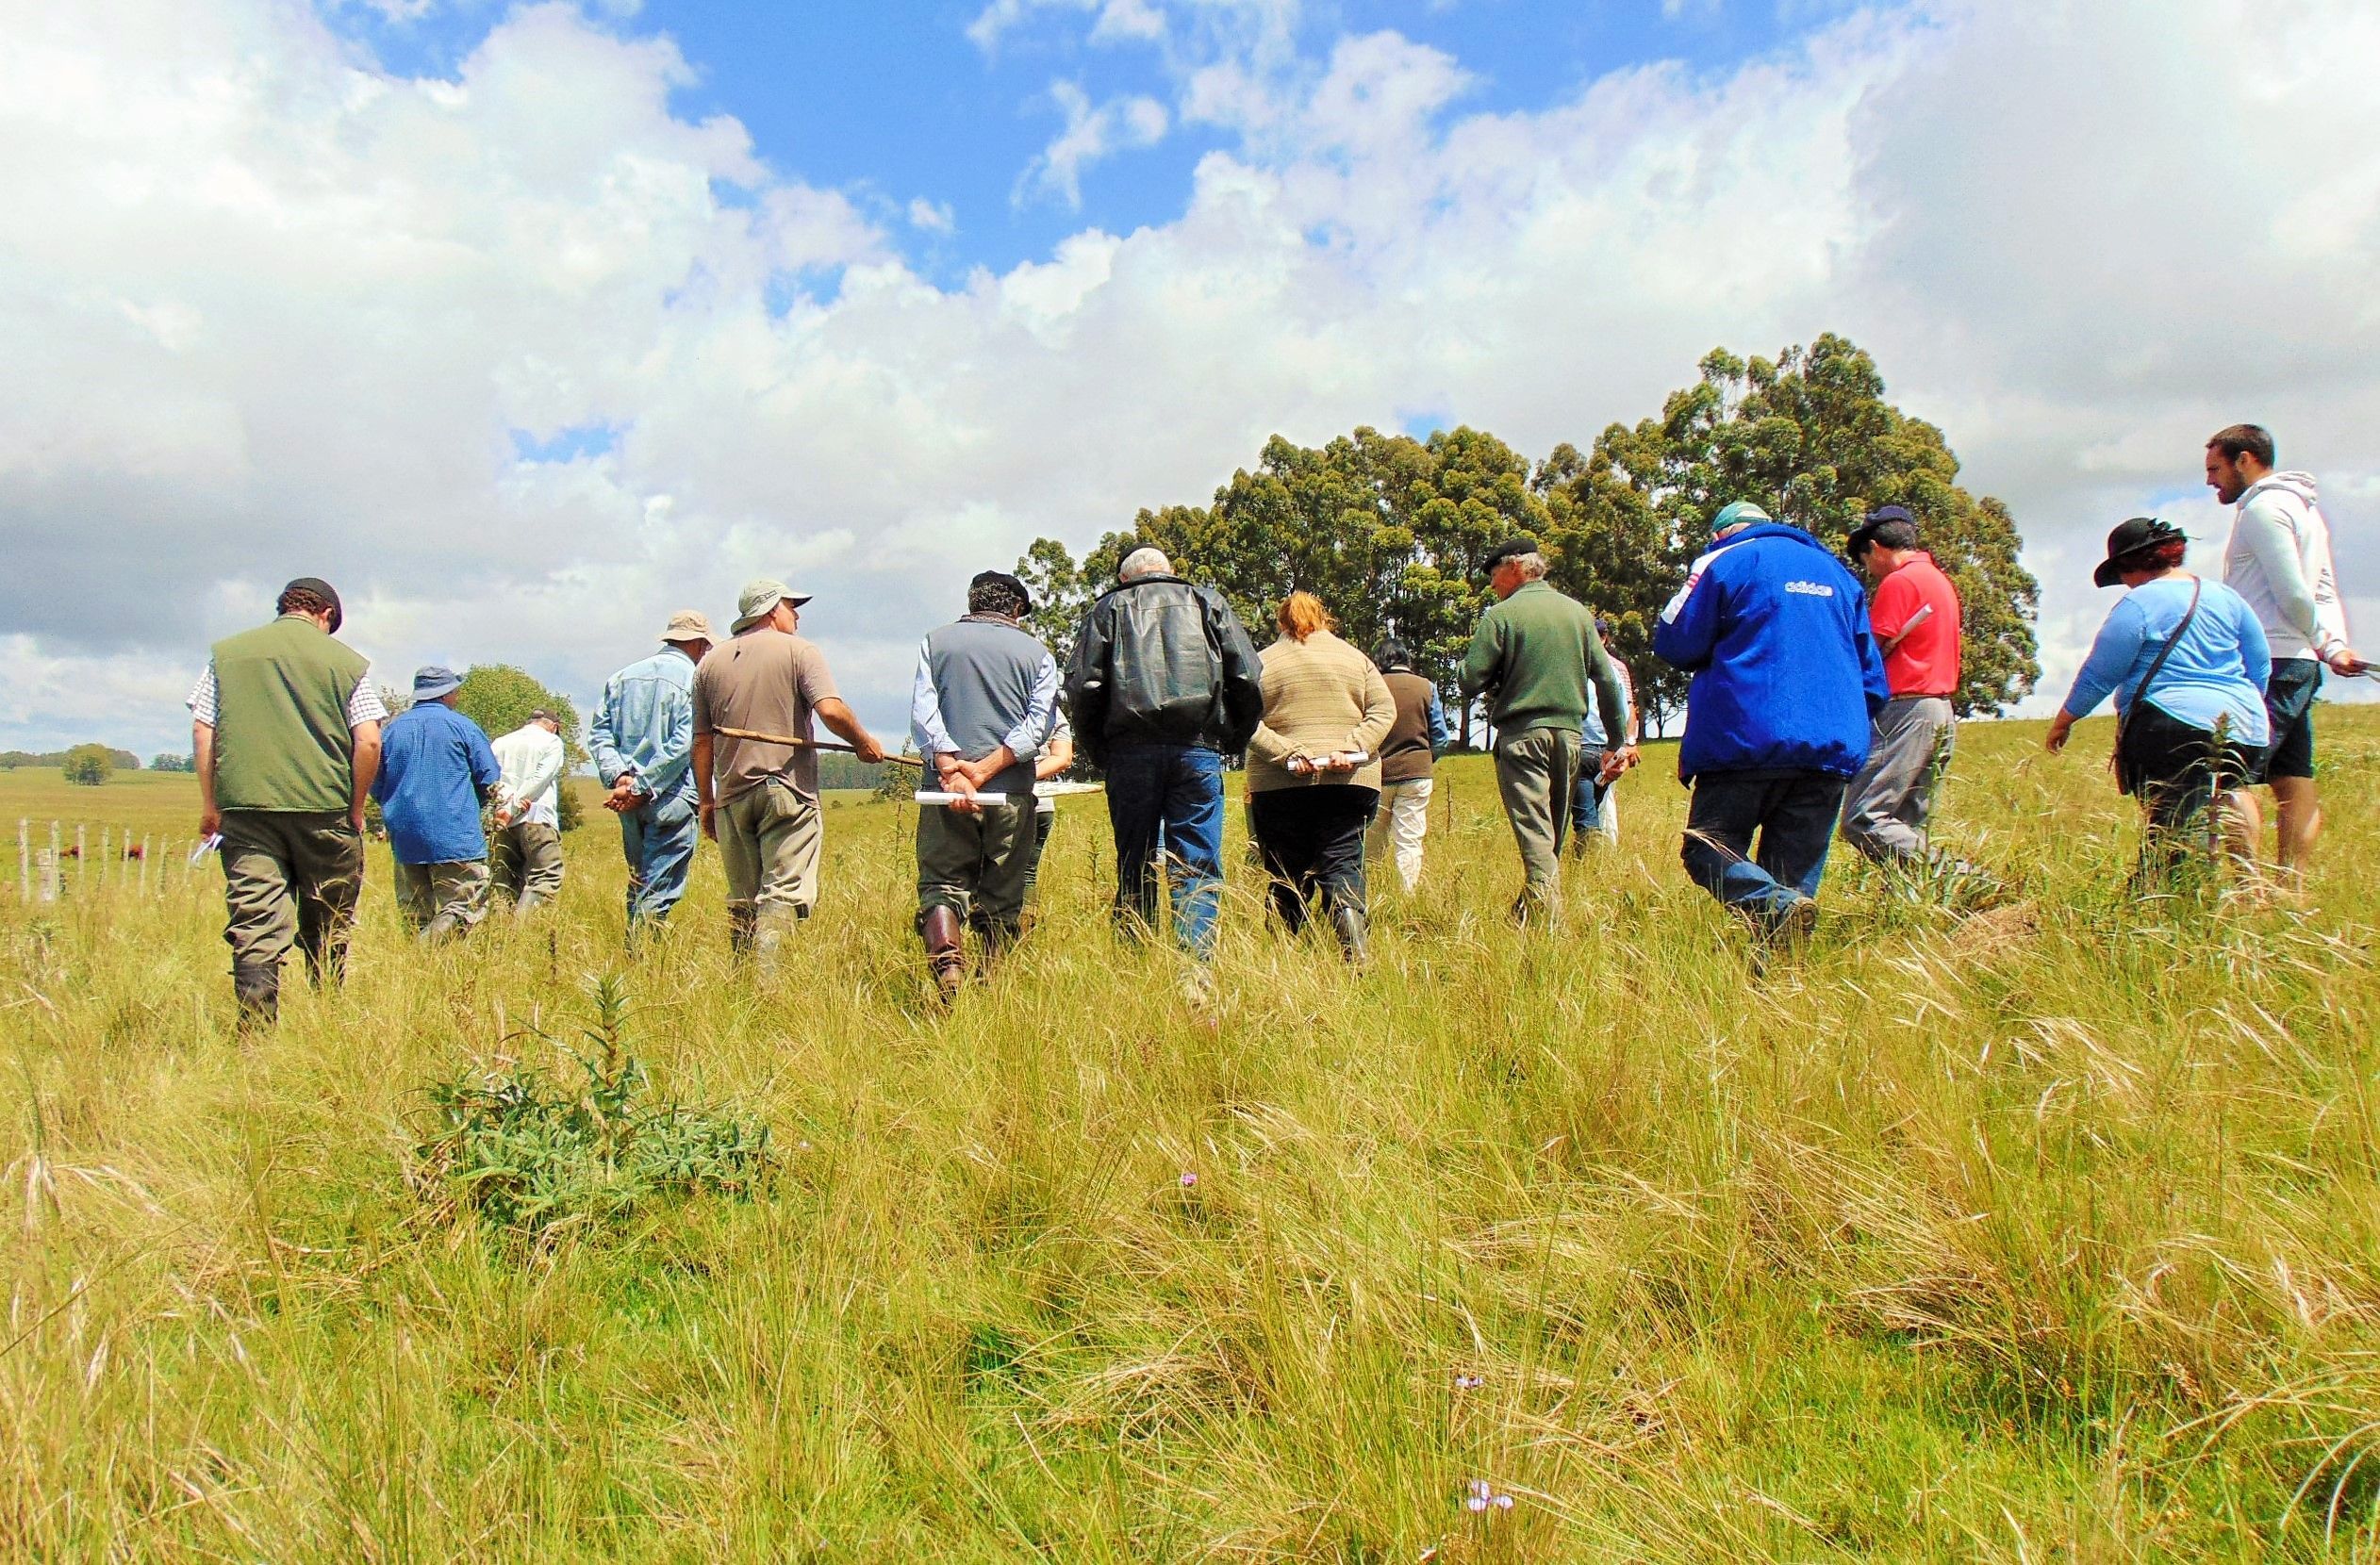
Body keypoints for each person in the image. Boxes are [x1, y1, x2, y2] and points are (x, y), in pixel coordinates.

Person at [1654, 502, 1887, 944]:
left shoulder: (1723, 561)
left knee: (1708, 848)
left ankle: (1775, 905)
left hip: (1743, 740)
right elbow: (1873, 681)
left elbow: (1674, 640)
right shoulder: (1839, 574)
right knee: (1794, 879)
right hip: (1830, 750)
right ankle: (1780, 991)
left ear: (1724, 533)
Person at [187, 576, 385, 1028]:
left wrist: (211, 805)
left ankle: (255, 1032)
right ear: (327, 614)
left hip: (247, 813)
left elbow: (203, 729)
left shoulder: (227, 656)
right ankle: (328, 1013)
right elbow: (369, 740)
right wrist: (356, 807)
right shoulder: (347, 663)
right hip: (325, 812)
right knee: (328, 916)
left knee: (255, 919)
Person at [1063, 547, 1264, 962]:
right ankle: (1197, 968)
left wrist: (1099, 750)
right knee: (1197, 860)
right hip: (1197, 748)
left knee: (1134, 859)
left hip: (1129, 751)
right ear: (1170, 572)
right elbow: (1247, 676)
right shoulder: (1208, 602)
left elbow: (1084, 687)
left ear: (1125, 578)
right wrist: (1232, 740)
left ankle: (1135, 959)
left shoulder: (1108, 608)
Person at [2046, 517, 2270, 885]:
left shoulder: (2139, 603)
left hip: (2171, 721)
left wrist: (2065, 719)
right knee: (2231, 792)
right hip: (2244, 721)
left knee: (2174, 814)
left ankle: (2171, 891)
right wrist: (2243, 705)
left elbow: (2102, 672)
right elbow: (2258, 663)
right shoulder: (2226, 596)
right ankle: (2249, 886)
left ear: (2129, 566)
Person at [692, 579, 885, 966]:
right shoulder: (800, 651)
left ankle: (741, 987)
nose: (795, 614)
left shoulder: (708, 664)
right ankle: (768, 986)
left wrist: (707, 802)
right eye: (789, 606)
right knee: (781, 894)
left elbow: (701, 742)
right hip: (786, 791)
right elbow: (830, 710)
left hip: (731, 796)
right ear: (769, 611)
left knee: (745, 900)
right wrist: (863, 743)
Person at [2206, 423, 2368, 877]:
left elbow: (2294, 592)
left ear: (2244, 460)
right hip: (2299, 661)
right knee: (2293, 776)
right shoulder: (2307, 512)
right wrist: (2332, 645)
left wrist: (2324, 641)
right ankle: (2289, 889)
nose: (2209, 481)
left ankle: (2246, 888)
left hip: (2268, 661)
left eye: (2215, 468)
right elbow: (2324, 591)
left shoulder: (2264, 510)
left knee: (2228, 773)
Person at [1458, 537, 1633, 922]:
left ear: (1516, 567)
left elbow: (1469, 680)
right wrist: (1616, 742)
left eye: (1494, 573)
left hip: (1522, 736)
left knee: (1536, 835)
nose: (1492, 584)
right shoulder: (1579, 615)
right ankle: (1523, 913)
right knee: (1552, 833)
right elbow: (1607, 681)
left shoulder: (1500, 616)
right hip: (1571, 738)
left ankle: (1548, 927)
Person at [910, 570, 1060, 999]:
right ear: (1015, 609)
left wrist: (953, 770)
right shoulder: (1038, 654)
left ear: (973, 602)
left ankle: (948, 965)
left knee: (941, 881)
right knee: (1003, 892)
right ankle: (990, 984)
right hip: (1009, 791)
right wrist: (986, 769)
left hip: (943, 789)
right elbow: (1038, 726)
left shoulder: (934, 642)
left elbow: (924, 711)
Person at [1836, 505, 1983, 886]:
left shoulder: (1901, 583)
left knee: (1863, 818)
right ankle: (1922, 904)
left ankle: (1964, 879)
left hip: (1905, 708)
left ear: (1874, 548)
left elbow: (1872, 651)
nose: (1870, 571)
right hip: (1939, 708)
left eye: (1866, 561)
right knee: (1906, 823)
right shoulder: (1937, 580)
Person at [1246, 593, 1397, 960]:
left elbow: (1243, 721)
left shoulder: (1261, 663)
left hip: (1281, 784)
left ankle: (1285, 956)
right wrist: (1351, 747)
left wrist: (1286, 754)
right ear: (1325, 619)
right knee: (1342, 861)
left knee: (1287, 869)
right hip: (1348, 782)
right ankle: (1352, 942)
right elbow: (1383, 709)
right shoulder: (1355, 658)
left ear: (1281, 623)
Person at [589, 611, 715, 936]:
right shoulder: (695, 680)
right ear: (700, 645)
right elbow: (684, 743)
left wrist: (621, 779)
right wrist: (642, 787)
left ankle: (636, 958)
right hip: (670, 796)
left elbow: (600, 735)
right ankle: (642, 959)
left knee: (639, 879)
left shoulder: (621, 678)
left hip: (628, 800)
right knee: (658, 887)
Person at [372, 666, 503, 942]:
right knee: (463, 907)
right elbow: (489, 777)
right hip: (456, 833)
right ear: (447, 694)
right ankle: (426, 952)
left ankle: (419, 970)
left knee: (414, 912)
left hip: (405, 835)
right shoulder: (462, 726)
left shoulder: (393, 730)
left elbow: (376, 784)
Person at [1364, 637, 1446, 892]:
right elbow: (1441, 737)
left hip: (1376, 775)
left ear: (1379, 660)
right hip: (1417, 775)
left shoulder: (1371, 687)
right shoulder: (1426, 687)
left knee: (1371, 844)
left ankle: (1366, 894)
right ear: (1406, 659)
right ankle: (1407, 895)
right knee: (1409, 841)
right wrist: (1423, 759)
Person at [1567, 618, 1637, 850]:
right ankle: (1595, 863)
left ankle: (1590, 866)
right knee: (1596, 810)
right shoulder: (1612, 674)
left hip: (1581, 748)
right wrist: (1623, 747)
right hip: (1607, 751)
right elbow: (1625, 712)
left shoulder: (1571, 669)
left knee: (1585, 820)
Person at [488, 710, 567, 915]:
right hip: (536, 816)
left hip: (502, 820)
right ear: (554, 726)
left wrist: (504, 809)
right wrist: (514, 806)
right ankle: (521, 932)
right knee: (546, 875)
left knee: (505, 880)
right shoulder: (552, 742)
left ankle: (499, 931)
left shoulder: (500, 742)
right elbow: (540, 778)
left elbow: (493, 779)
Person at [1022, 712, 1074, 903]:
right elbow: (1063, 757)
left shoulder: (1002, 699)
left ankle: (994, 928)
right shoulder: (1050, 709)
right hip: (1043, 801)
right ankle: (1027, 925)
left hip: (1001, 798)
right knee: (1028, 873)